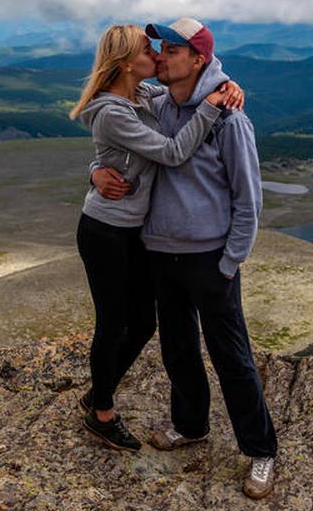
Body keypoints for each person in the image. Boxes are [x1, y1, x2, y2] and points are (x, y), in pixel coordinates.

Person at [91, 17, 278, 500]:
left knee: (231, 355)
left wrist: (230, 261)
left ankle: (260, 451)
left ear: (197, 60)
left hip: (209, 257)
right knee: (177, 348)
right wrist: (95, 171)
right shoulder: (155, 102)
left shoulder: (230, 118)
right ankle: (190, 425)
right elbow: (114, 136)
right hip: (160, 252)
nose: (159, 55)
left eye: (171, 50)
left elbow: (248, 197)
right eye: (157, 47)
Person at [69, 24, 243, 453]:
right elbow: (171, 152)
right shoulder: (113, 110)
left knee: (145, 321)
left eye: (162, 49)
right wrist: (212, 109)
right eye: (150, 50)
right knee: (113, 321)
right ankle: (102, 412)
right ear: (128, 63)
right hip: (106, 231)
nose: (158, 56)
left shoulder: (142, 96)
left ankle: (99, 388)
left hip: (134, 231)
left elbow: (184, 93)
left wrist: (225, 85)